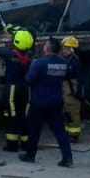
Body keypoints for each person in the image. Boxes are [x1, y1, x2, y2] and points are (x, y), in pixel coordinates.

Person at [0, 27, 34, 152]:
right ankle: (26, 144)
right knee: (23, 115)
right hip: (26, 89)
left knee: (11, 115)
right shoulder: (29, 55)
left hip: (12, 89)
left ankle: (12, 145)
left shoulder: (10, 54)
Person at [20, 38, 74, 167]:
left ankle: (30, 155)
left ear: (48, 48)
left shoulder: (39, 62)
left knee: (34, 130)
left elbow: (29, 79)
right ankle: (67, 158)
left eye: (45, 45)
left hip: (39, 102)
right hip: (56, 101)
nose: (44, 46)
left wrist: (31, 67)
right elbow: (67, 76)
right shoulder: (63, 62)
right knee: (60, 131)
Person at [60, 36, 84, 141]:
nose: (64, 51)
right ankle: (69, 132)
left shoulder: (74, 63)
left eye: (67, 49)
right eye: (64, 49)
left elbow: (77, 80)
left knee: (73, 113)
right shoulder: (67, 60)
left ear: (72, 50)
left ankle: (74, 135)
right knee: (67, 113)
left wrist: (77, 93)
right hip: (67, 92)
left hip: (71, 93)